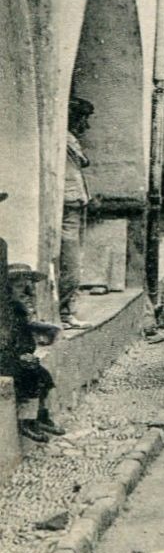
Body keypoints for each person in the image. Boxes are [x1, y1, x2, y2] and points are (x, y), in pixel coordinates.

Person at [5, 268, 65, 442]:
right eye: (19, 286)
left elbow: (24, 327)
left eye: (28, 286)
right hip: (6, 358)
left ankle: (42, 415)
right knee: (29, 376)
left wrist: (42, 328)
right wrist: (17, 356)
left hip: (20, 355)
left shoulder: (18, 309)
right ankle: (26, 420)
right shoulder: (4, 312)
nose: (27, 292)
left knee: (44, 377)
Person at [58, 97, 96, 329]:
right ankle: (64, 312)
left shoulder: (68, 139)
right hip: (68, 205)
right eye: (84, 120)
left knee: (73, 261)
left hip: (75, 204)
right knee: (71, 264)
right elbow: (84, 162)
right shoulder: (67, 140)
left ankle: (66, 310)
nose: (87, 126)